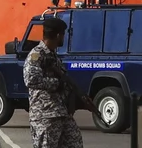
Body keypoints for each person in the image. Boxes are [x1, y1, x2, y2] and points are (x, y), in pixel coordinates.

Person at [23, 17, 94, 148]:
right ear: (57, 35)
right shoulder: (37, 55)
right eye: (63, 35)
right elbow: (31, 79)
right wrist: (57, 83)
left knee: (75, 144)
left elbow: (65, 81)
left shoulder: (53, 56)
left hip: (62, 113)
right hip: (45, 115)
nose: (64, 38)